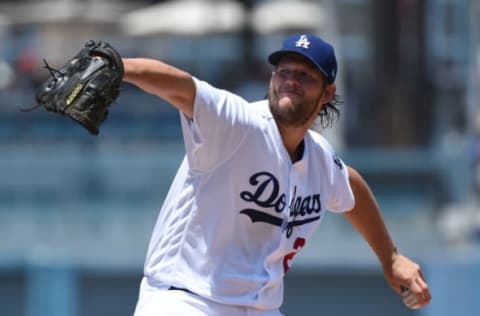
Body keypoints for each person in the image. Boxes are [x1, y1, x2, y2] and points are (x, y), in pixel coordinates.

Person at [122, 34, 431, 315]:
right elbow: (183, 87)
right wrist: (119, 66)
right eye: (284, 71)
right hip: (187, 299)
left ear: (327, 93)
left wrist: (390, 258)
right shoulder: (240, 123)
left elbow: (352, 187)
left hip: (259, 308)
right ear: (272, 78)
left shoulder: (321, 161)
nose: (291, 81)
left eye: (305, 76)